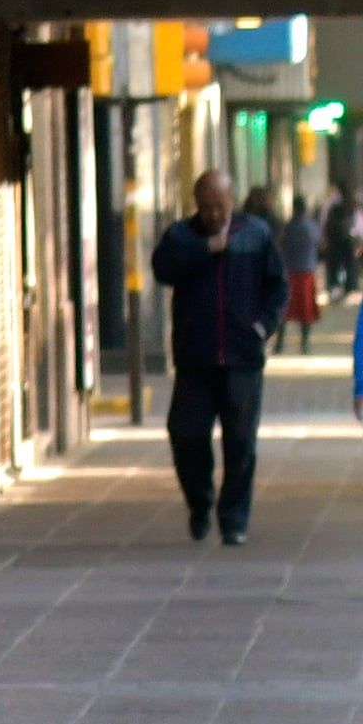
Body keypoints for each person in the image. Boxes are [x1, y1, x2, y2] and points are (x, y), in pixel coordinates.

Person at [152, 170, 287, 545]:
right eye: (206, 207)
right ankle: (200, 500)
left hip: (242, 359)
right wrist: (205, 249)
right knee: (186, 434)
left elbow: (278, 285)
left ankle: (233, 519)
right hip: (196, 360)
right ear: (196, 204)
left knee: (241, 442)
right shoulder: (181, 236)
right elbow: (162, 269)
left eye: (221, 206)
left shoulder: (255, 235)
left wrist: (263, 326)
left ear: (233, 201)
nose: (214, 215)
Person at [281, 191, 327, 353]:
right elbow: (321, 244)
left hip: (290, 271)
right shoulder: (311, 226)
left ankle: (280, 344)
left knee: (285, 308)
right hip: (306, 271)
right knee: (306, 310)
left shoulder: (288, 227)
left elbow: (282, 246)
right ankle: (304, 343)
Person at [325, 186, 357, 301]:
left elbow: (327, 224)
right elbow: (355, 225)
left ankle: (335, 288)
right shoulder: (351, 208)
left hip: (335, 242)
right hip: (346, 241)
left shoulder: (334, 207)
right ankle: (346, 289)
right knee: (348, 266)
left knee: (335, 266)